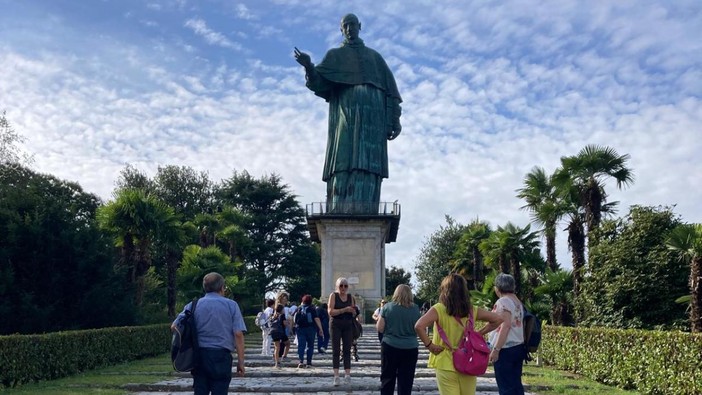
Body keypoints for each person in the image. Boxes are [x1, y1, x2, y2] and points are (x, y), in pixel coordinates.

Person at [294, 13, 402, 214]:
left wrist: (394, 120)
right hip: (345, 117)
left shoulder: (375, 58)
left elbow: (392, 94)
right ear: (341, 29)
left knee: (369, 163)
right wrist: (309, 66)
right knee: (343, 158)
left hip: (373, 121)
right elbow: (318, 82)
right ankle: (339, 207)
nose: (350, 28)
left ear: (360, 26)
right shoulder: (335, 56)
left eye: (353, 24)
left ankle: (367, 207)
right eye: (346, 25)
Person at [414, 273, 504, 395]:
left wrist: (429, 345)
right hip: (468, 361)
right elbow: (498, 319)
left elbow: (419, 326)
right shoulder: (471, 310)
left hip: (445, 361)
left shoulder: (438, 309)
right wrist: (479, 333)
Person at [171, 272, 246, 395]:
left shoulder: (193, 305)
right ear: (222, 288)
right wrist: (241, 362)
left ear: (205, 287)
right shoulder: (231, 305)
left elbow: (174, 326)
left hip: (199, 356)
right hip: (222, 356)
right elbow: (238, 334)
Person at [479, 273, 526, 395]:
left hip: (505, 349)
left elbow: (505, 326)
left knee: (505, 386)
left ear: (497, 288)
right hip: (518, 346)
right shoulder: (517, 301)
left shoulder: (503, 301)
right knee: (516, 384)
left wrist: (496, 349)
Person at [376, 285, 421, 395]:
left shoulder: (387, 307)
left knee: (387, 379)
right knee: (406, 381)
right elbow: (420, 328)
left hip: (390, 346)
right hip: (410, 348)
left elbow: (380, 328)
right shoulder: (416, 309)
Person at [328, 277, 358, 386]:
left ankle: (347, 375)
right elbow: (330, 311)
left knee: (347, 349)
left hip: (348, 325)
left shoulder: (351, 297)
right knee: (336, 350)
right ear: (337, 286)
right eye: (341, 285)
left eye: (345, 285)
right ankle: (336, 376)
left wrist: (354, 312)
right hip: (335, 324)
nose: (343, 288)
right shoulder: (333, 296)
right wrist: (344, 310)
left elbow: (355, 312)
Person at [295, 294, 325, 368]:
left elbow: (294, 318)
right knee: (310, 346)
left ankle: (301, 361)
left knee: (301, 345)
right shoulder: (312, 309)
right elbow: (316, 319)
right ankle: (309, 362)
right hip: (311, 328)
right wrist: (320, 329)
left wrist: (293, 327)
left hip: (300, 328)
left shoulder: (299, 308)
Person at [270, 304, 289, 369]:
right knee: (288, 343)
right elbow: (284, 323)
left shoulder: (273, 315)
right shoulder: (282, 315)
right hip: (280, 332)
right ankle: (284, 356)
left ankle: (276, 363)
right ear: (281, 310)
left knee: (277, 347)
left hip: (273, 332)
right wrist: (288, 323)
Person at [275, 291, 291, 360]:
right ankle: (282, 356)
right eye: (284, 299)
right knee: (285, 343)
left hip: (277, 328)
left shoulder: (277, 306)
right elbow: (283, 319)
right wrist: (288, 322)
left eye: (286, 299)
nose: (285, 301)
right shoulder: (281, 307)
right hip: (281, 328)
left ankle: (277, 358)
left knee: (279, 344)